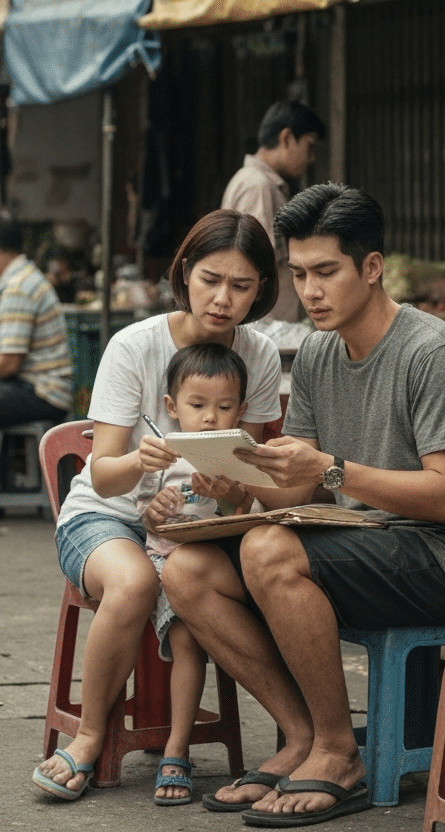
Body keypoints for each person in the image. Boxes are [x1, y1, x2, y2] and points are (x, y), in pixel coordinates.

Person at [161, 182, 445, 827]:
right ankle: (301, 737)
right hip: (359, 538)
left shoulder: (433, 352)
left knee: (268, 549)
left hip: (442, 558)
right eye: (298, 275)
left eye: (325, 272)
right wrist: (236, 481)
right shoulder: (318, 352)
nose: (309, 292)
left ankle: (339, 752)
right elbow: (300, 488)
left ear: (371, 268)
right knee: (187, 570)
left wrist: (333, 469)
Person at [32, 209, 286, 802]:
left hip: (201, 524)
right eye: (210, 279)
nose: (223, 299)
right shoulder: (133, 346)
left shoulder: (261, 355)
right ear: (185, 273)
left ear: (262, 291)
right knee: (133, 582)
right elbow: (104, 472)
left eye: (242, 286)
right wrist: (144, 461)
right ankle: (92, 738)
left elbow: (249, 478)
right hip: (107, 516)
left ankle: (298, 738)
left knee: (265, 574)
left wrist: (231, 487)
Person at [135, 342, 253, 806]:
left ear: (240, 409)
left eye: (224, 407)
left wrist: (229, 496)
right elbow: (146, 520)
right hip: (167, 562)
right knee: (186, 640)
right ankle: (176, 750)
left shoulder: (238, 455)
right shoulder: (163, 456)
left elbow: (244, 513)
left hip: (218, 565)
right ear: (171, 407)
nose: (210, 418)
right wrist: (157, 511)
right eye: (197, 406)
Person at [221, 100, 327, 322]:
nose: (312, 157)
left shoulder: (257, 182)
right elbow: (253, 263)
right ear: (287, 138)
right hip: (267, 325)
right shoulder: (258, 186)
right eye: (310, 146)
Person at [0, 211, 73, 463]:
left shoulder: (18, 287)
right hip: (33, 386)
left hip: (44, 391)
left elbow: (8, 364)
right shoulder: (22, 278)